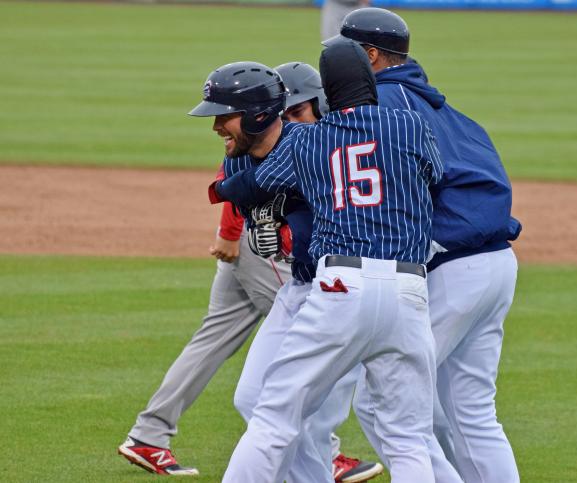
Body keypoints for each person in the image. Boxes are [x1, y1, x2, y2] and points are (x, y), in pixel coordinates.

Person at [118, 61, 380, 482]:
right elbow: (249, 185)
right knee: (274, 387)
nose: (217, 126)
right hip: (280, 266)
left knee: (242, 359)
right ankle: (324, 454)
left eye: (224, 116)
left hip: (334, 278)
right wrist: (229, 228)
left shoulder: (314, 146)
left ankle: (150, 433)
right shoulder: (260, 152)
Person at [213, 40, 444, 482]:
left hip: (340, 285)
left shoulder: (310, 140)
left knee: (273, 419)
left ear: (326, 95)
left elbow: (257, 183)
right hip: (409, 289)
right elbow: (434, 174)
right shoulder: (410, 125)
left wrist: (222, 192)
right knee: (408, 439)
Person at [324, 8, 522, 483]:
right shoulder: (444, 109)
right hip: (496, 264)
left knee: (382, 400)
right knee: (471, 412)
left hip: (452, 268)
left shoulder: (385, 105)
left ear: (370, 55)